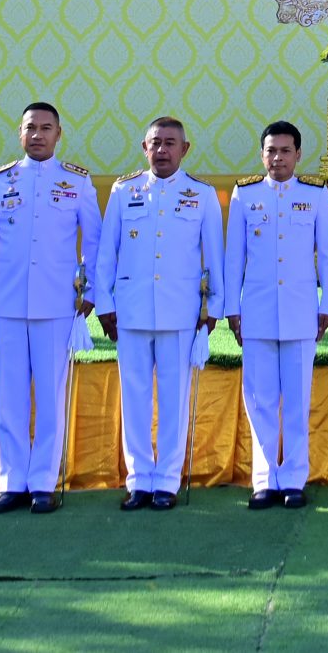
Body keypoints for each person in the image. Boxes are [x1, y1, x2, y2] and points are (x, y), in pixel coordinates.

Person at [0, 101, 99, 513]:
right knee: (10, 398)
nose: (38, 135)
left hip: (57, 305)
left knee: (50, 397)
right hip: (7, 306)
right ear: (19, 133)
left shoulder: (76, 182)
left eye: (47, 128)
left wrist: (91, 293)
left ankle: (44, 481)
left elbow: (93, 244)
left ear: (59, 135)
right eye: (31, 128)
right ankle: (12, 481)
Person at [93, 116, 223, 510]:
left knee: (173, 398)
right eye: (156, 143)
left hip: (179, 313)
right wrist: (105, 303)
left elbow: (214, 258)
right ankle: (139, 481)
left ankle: (166, 480)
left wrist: (212, 309)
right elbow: (106, 254)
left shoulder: (201, 195)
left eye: (171, 143)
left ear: (185, 149)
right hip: (130, 312)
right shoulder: (123, 191)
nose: (163, 150)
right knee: (133, 398)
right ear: (144, 148)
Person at [226, 120, 328, 510]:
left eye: (285, 151)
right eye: (271, 151)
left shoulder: (316, 194)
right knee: (259, 399)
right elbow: (233, 257)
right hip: (256, 311)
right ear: (262, 155)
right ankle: (263, 479)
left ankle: (292, 478)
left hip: (300, 311)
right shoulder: (245, 195)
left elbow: (327, 254)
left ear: (298, 155)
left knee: (296, 398)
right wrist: (231, 308)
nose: (277, 158)